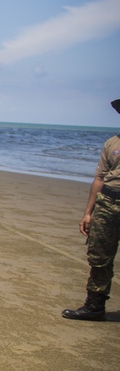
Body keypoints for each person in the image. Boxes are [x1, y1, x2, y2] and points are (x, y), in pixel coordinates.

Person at [62, 99, 120, 321]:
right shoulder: (112, 143)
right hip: (107, 202)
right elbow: (99, 178)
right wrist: (88, 212)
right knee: (99, 256)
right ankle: (95, 305)